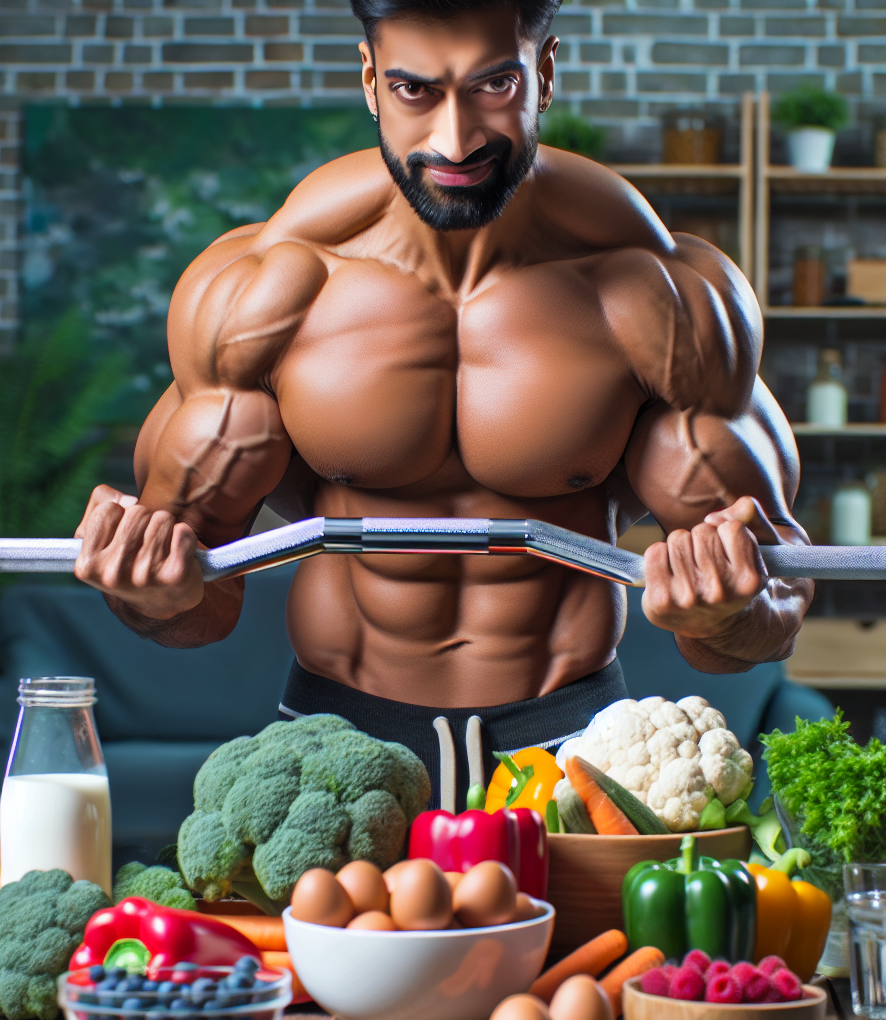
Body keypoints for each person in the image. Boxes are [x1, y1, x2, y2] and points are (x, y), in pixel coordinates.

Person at [73, 0, 813, 803]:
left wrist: (722, 616)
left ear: (546, 72)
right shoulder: (265, 294)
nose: (455, 140)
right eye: (415, 91)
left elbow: (771, 612)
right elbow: (196, 612)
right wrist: (152, 595)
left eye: (494, 84)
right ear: (370, 81)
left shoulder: (658, 296)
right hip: (335, 756)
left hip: (570, 753)